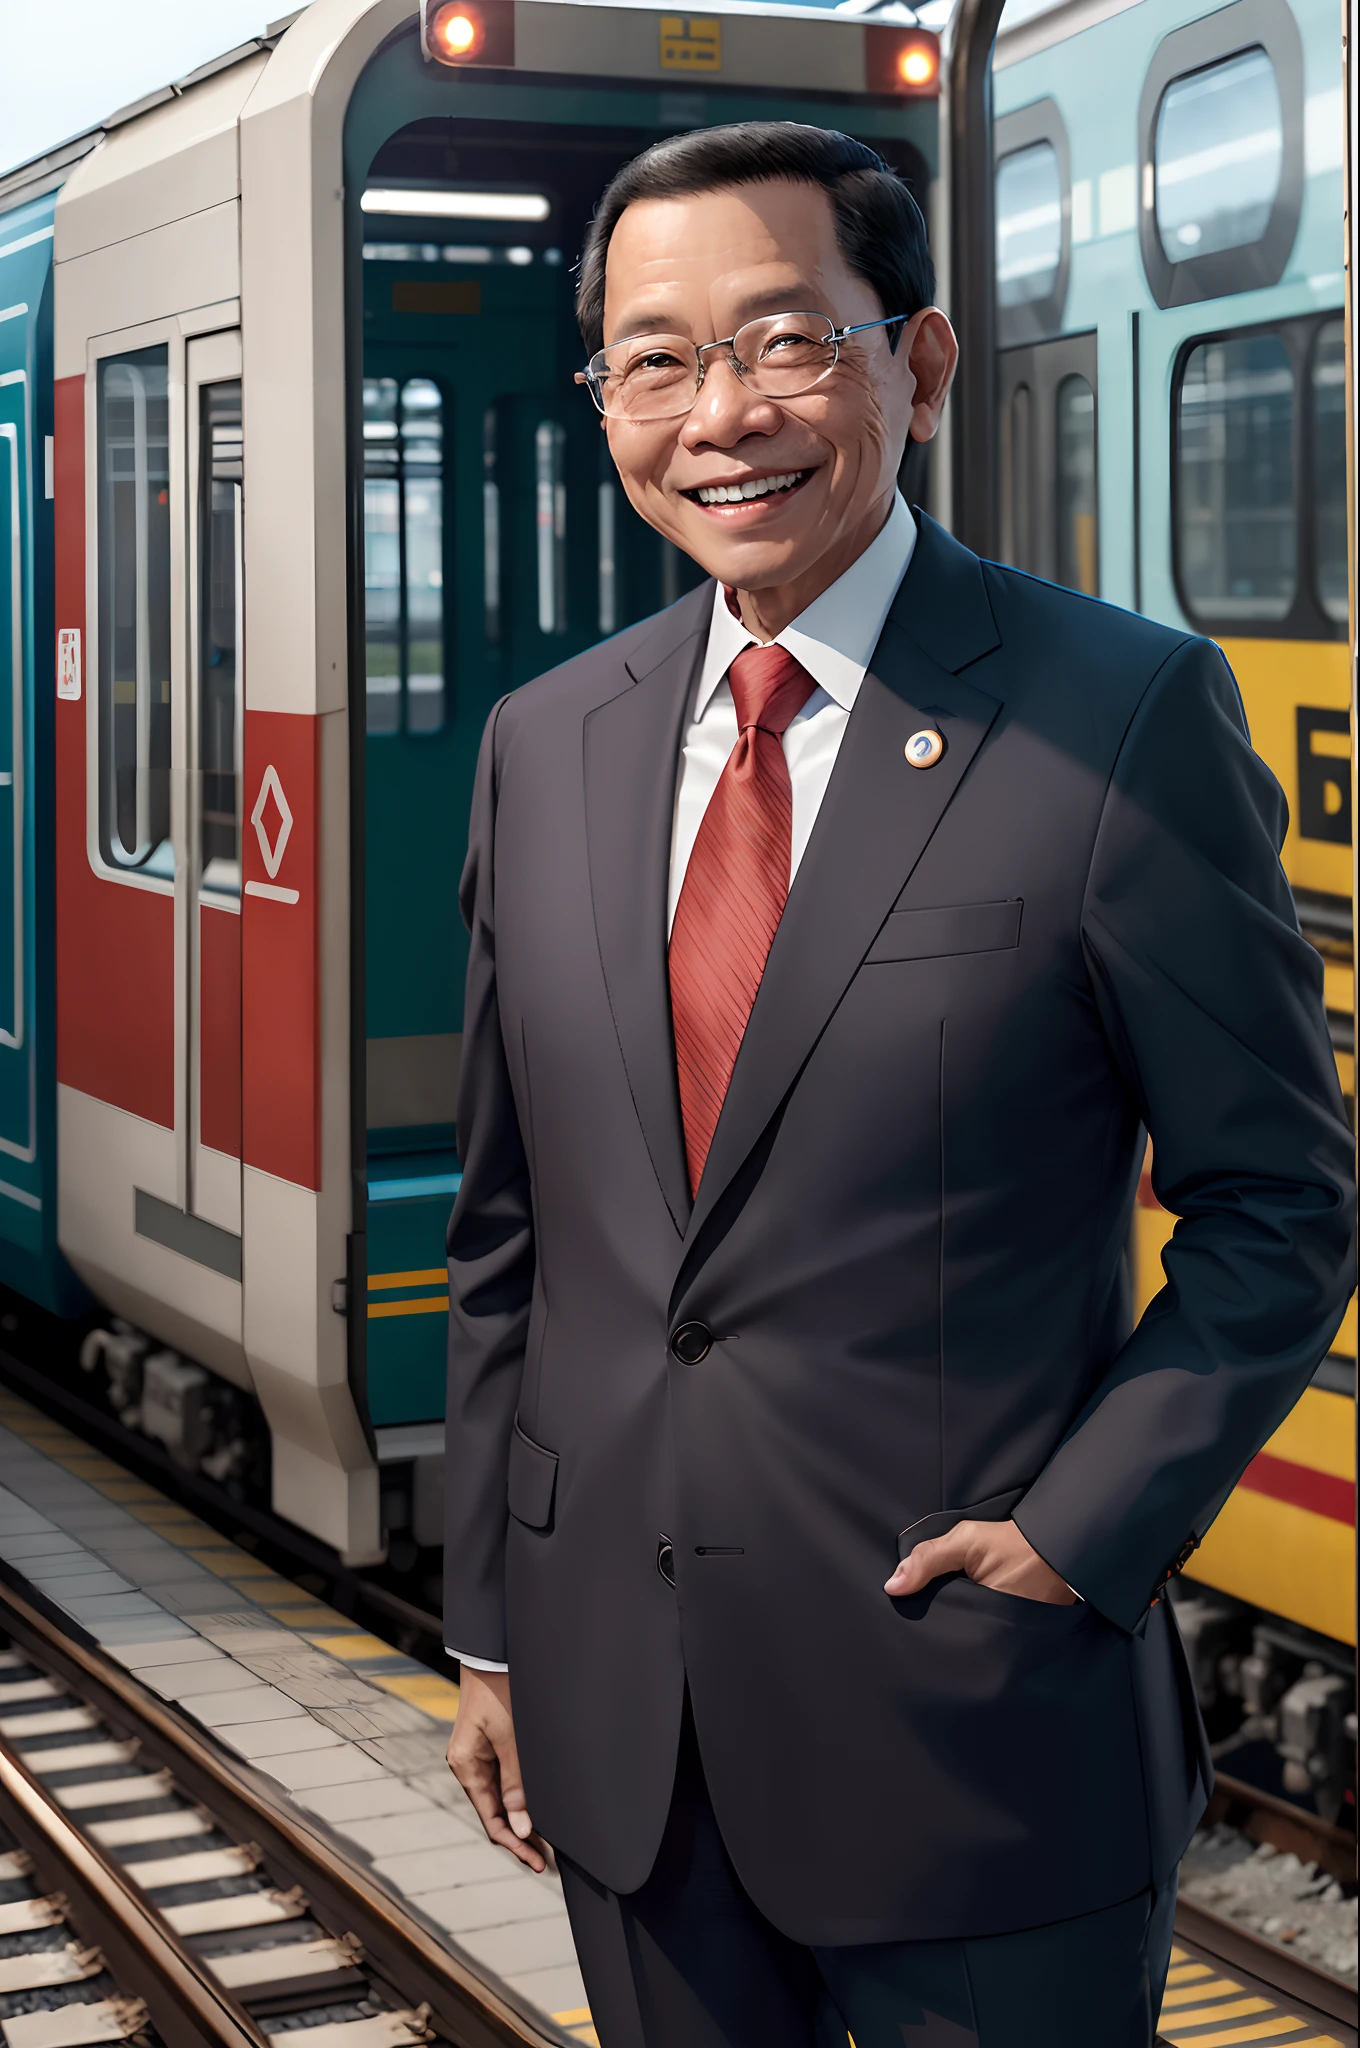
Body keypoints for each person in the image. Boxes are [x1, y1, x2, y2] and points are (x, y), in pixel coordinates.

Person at [441, 123, 1355, 2048]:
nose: (721, 414)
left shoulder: (1116, 718)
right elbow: (521, 1233)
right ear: (607, 397)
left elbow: (1283, 1201)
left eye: (788, 341)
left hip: (975, 1731)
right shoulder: (548, 746)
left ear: (919, 366)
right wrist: (495, 1626)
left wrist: (1084, 1531)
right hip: (624, 1738)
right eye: (655, 359)